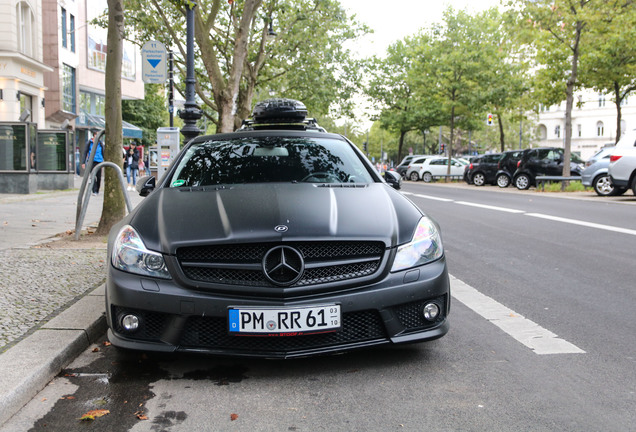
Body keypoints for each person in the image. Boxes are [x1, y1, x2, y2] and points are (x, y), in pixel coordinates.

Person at [82, 131, 104, 195]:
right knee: (92, 176)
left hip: (99, 161)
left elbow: (103, 152)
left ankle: (97, 190)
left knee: (99, 177)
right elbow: (85, 153)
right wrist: (83, 162)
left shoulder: (100, 143)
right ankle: (94, 190)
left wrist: (104, 161)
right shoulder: (89, 143)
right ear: (94, 135)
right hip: (91, 161)